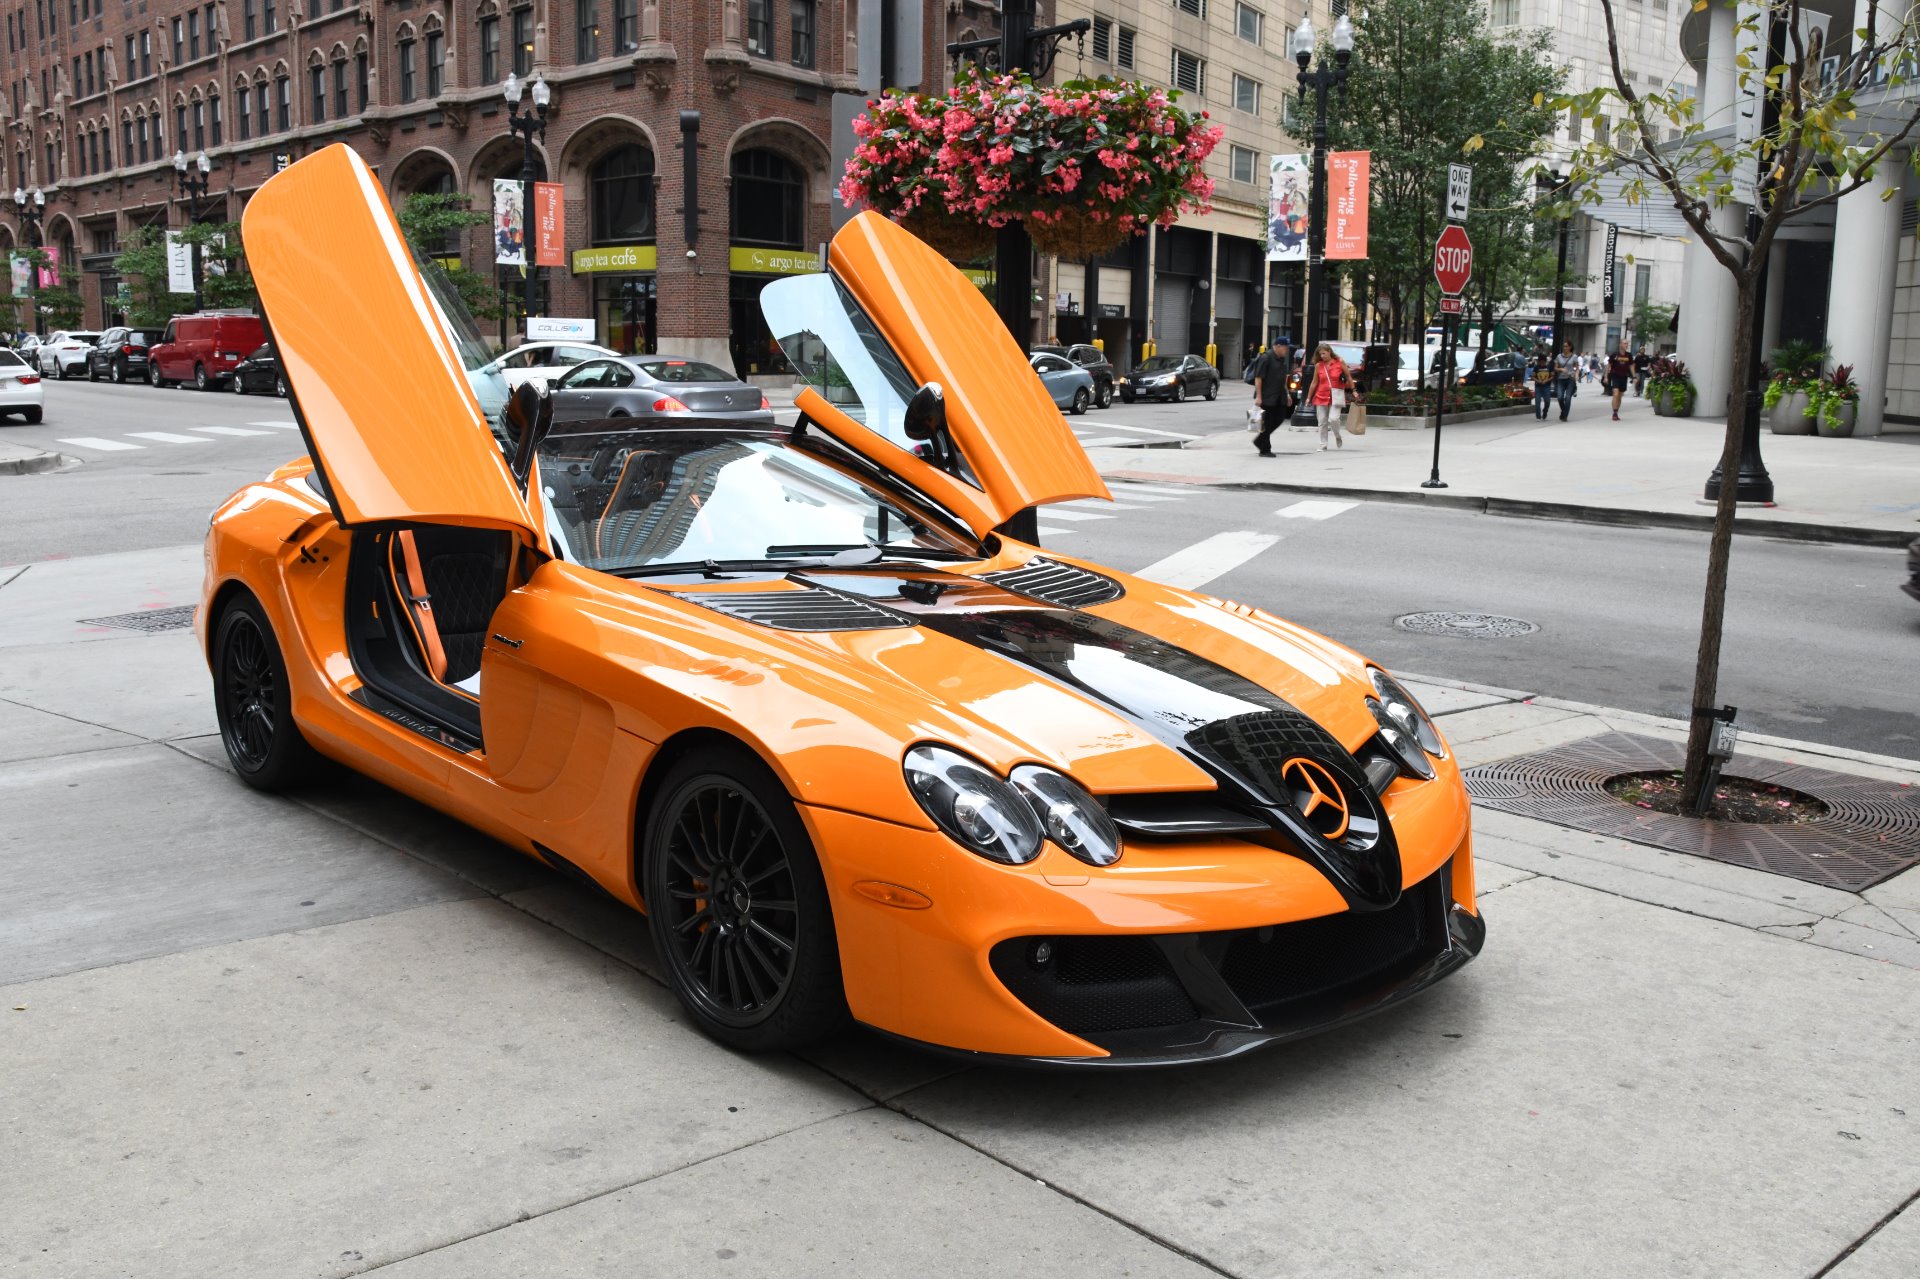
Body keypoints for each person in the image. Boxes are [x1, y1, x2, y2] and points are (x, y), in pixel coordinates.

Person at [1248, 339, 1293, 457]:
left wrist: (1287, 393)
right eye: (1286, 348)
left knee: (1280, 418)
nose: (1287, 351)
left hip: (1279, 395)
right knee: (1267, 423)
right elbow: (1258, 378)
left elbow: (1282, 378)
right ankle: (1265, 449)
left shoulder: (1281, 359)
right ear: (1278, 346)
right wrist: (1258, 397)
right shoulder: (1266, 358)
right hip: (1267, 396)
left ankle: (1259, 441)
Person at [1305, 342, 1350, 450]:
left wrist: (1353, 390)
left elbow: (1348, 377)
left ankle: (1337, 436)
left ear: (1329, 352)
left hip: (1335, 395)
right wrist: (1308, 398)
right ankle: (1323, 444)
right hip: (1321, 395)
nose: (1322, 356)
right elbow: (1314, 382)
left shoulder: (1339, 362)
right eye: (1320, 354)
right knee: (1322, 422)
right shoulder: (1318, 366)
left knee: (1334, 419)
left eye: (1324, 353)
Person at [1606, 340, 1634, 419]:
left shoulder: (1629, 355)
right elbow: (1609, 365)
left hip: (1624, 377)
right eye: (1625, 343)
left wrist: (1634, 376)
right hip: (1615, 376)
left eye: (1627, 344)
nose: (1626, 345)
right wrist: (1605, 376)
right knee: (1616, 394)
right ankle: (1614, 413)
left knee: (1620, 396)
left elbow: (1631, 366)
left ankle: (1616, 411)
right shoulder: (1615, 355)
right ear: (1620, 344)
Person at [1553, 340, 1580, 420]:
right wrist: (1561, 369)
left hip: (1570, 379)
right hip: (1561, 379)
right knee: (1560, 397)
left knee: (1567, 398)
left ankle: (1565, 416)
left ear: (1570, 347)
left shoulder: (1574, 357)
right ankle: (1564, 411)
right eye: (1564, 346)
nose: (1565, 348)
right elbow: (1555, 368)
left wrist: (1576, 375)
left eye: (1566, 346)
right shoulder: (1559, 356)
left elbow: (1577, 368)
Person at [1530, 346, 1556, 420]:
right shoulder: (1536, 367)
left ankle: (1545, 411)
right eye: (1540, 362)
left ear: (1545, 361)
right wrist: (1538, 381)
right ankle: (1538, 416)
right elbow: (1533, 376)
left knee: (1547, 401)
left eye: (1543, 362)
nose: (1542, 363)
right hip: (1538, 386)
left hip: (1547, 386)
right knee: (1537, 402)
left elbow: (1552, 376)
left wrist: (1546, 381)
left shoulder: (1549, 367)